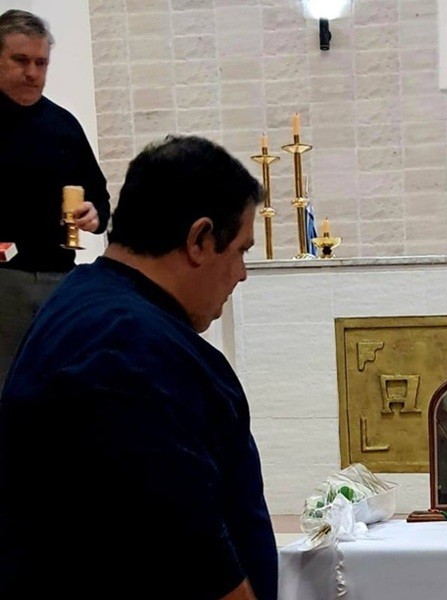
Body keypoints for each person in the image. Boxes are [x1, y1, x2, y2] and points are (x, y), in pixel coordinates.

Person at [0, 136, 276, 600]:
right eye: (241, 251)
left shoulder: (86, 301)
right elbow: (189, 550)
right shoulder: (131, 350)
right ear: (200, 239)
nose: (242, 274)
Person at [0, 9, 110, 385]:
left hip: (59, 279)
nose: (33, 73)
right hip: (3, 282)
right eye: (21, 60)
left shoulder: (63, 126)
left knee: (62, 387)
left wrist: (94, 214)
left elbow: (99, 198)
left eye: (41, 62)